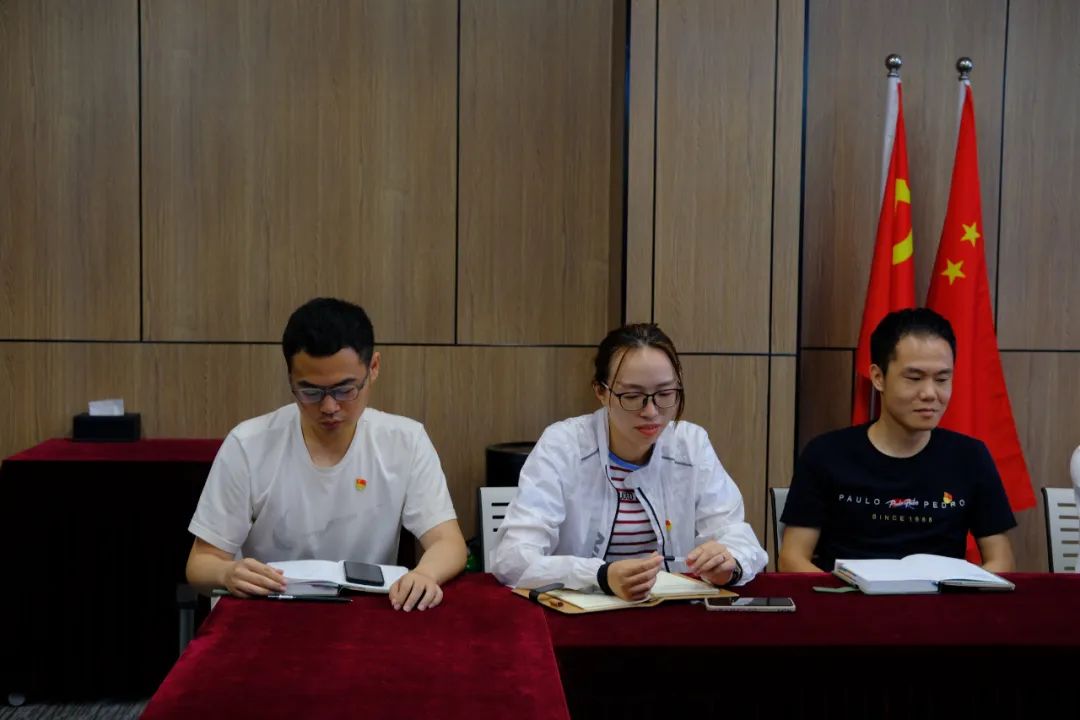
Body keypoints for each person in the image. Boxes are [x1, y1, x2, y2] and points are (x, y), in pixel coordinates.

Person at [185, 297, 467, 611]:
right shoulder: (248, 444)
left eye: (345, 390)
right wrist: (226, 573)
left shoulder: (406, 441)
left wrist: (425, 574)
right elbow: (201, 562)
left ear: (373, 368)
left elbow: (448, 542)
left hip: (365, 612)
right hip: (270, 611)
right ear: (290, 378)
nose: (329, 407)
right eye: (311, 392)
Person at [492, 323, 767, 600]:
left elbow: (737, 536)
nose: (651, 411)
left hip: (672, 613)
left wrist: (729, 564)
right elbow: (512, 558)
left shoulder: (690, 445)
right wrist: (600, 576)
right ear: (601, 392)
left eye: (665, 394)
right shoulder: (563, 446)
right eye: (632, 396)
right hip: (580, 615)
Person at [779, 308, 1016, 573]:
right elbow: (792, 559)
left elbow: (1002, 561)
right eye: (914, 378)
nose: (930, 393)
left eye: (942, 379)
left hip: (941, 597)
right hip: (847, 596)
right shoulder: (826, 455)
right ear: (878, 377)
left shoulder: (970, 457)